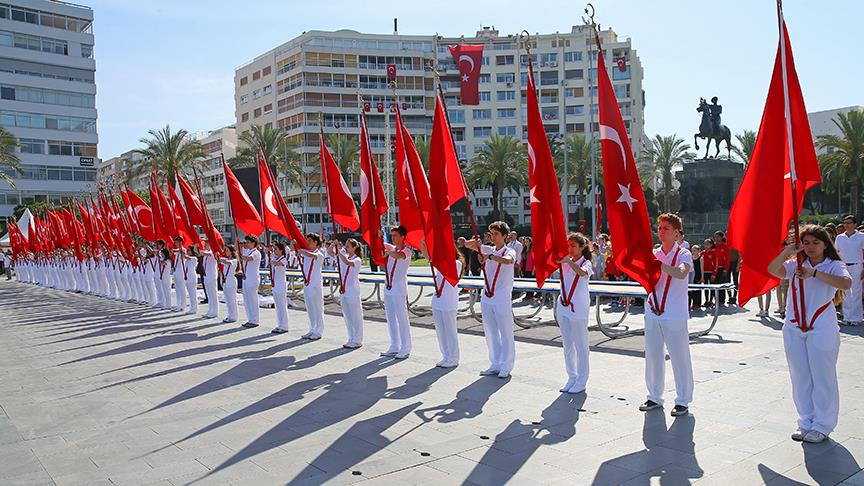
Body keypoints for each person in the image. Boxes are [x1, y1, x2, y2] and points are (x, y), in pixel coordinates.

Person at [767, 225, 852, 443]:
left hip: (821, 328)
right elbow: (772, 269)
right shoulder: (796, 263)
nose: (811, 247)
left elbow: (846, 283)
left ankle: (823, 425)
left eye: (816, 242)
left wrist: (813, 273)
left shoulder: (833, 265)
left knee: (822, 377)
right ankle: (805, 420)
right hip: (794, 327)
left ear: (825, 244)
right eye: (806, 243)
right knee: (800, 376)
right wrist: (787, 252)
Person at [639, 213, 694, 417]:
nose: (661, 232)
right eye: (660, 228)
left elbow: (681, 273)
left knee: (679, 357)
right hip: (653, 310)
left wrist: (659, 265)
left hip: (675, 313)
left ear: (677, 232)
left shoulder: (684, 254)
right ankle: (654, 396)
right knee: (653, 355)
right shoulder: (653, 252)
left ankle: (683, 399)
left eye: (666, 229)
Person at [465, 221, 517, 379]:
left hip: (501, 297)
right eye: (491, 234)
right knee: (490, 331)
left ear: (504, 236)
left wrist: (491, 257)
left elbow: (508, 260)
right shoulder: (487, 249)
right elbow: (467, 245)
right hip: (487, 296)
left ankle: (506, 365)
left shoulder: (510, 250)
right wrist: (476, 243)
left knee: (505, 332)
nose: (493, 237)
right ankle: (495, 363)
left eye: (496, 234)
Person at [555, 232, 593, 394]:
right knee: (568, 344)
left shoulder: (586, 262)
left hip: (578, 308)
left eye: (573, 246)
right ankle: (572, 376)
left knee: (581, 345)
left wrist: (568, 261)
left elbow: (582, 273)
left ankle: (582, 380)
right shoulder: (565, 260)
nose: (570, 249)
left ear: (582, 247)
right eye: (568, 245)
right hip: (563, 306)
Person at [423, 241, 464, 368]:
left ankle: (454, 358)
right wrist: (425, 244)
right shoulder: (441, 262)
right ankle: (446, 355)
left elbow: (443, 266)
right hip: (438, 300)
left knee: (450, 330)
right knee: (441, 331)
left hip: (449, 301)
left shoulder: (456, 263)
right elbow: (428, 257)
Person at [381, 226, 413, 359]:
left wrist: (388, 252)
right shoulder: (391, 248)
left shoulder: (407, 250)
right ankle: (394, 345)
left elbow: (398, 256)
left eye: (395, 235)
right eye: (391, 235)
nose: (392, 238)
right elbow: (377, 243)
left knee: (401, 318)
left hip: (399, 288)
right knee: (391, 318)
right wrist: (379, 235)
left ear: (402, 237)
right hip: (388, 287)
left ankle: (405, 347)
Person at [331, 238, 364, 349]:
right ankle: (351, 337)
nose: (345, 247)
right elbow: (330, 252)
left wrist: (339, 251)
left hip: (352, 290)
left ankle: (357, 339)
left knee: (355, 316)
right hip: (344, 290)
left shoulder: (356, 259)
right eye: (345, 245)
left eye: (348, 246)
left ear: (354, 248)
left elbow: (347, 262)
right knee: (347, 316)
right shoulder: (344, 255)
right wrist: (334, 244)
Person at [835, 215, 864, 326]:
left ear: (855, 224)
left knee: (856, 292)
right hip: (843, 266)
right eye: (845, 223)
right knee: (845, 292)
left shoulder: (861, 236)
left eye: (849, 223)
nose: (846, 225)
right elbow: (837, 252)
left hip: (857, 266)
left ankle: (857, 318)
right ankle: (847, 317)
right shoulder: (840, 237)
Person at [297, 233, 326, 340]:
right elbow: (296, 251)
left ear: (316, 242)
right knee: (310, 308)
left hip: (315, 284)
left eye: (309, 240)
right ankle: (312, 328)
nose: (307, 242)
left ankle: (318, 330)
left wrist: (302, 251)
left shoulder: (319, 253)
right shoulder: (307, 253)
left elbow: (312, 256)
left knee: (317, 307)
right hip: (307, 283)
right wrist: (295, 245)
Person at [240, 235, 262, 328]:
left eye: (248, 242)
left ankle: (255, 320)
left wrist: (241, 256)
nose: (247, 244)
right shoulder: (248, 251)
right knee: (247, 299)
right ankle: (250, 318)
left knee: (252, 299)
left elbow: (249, 258)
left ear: (253, 243)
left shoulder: (256, 252)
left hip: (252, 278)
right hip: (246, 278)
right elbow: (239, 250)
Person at [270, 242, 290, 334]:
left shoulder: (284, 259)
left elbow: (278, 264)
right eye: (274, 249)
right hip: (275, 285)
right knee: (277, 306)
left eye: (276, 249)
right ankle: (279, 325)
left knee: (282, 305)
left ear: (281, 250)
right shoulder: (275, 258)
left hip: (281, 285)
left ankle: (284, 326)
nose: (274, 251)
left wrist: (272, 259)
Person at [220, 245, 239, 323]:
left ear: (231, 252)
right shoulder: (226, 259)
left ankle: (234, 316)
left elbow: (227, 262)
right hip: (226, 281)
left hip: (231, 281)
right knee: (227, 300)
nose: (226, 252)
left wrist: (220, 258)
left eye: (227, 250)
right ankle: (229, 315)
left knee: (232, 299)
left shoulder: (234, 260)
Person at [200, 242, 219, 319]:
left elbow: (205, 253)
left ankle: (215, 311)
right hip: (206, 275)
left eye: (207, 244)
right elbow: (200, 254)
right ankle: (210, 310)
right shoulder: (206, 253)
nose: (205, 246)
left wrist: (199, 250)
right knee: (209, 294)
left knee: (213, 294)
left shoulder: (212, 252)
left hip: (212, 276)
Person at [713, 231, 730, 306]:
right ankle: (715, 300)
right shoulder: (713, 245)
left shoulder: (725, 246)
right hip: (713, 269)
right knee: (714, 284)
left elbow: (727, 258)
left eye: (717, 236)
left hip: (721, 268)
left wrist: (725, 269)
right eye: (715, 237)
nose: (716, 238)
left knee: (721, 284)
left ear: (721, 237)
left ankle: (722, 300)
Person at [171, 237, 187, 312]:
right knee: (177, 288)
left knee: (181, 288)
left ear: (180, 242)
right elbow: (173, 251)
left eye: (177, 242)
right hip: (176, 270)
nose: (175, 243)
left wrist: (179, 250)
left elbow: (181, 252)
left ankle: (182, 305)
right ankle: (178, 304)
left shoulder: (183, 249)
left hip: (181, 270)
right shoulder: (178, 251)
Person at [183, 245, 200, 315]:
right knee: (190, 294)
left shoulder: (194, 258)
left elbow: (187, 257)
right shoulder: (187, 259)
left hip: (192, 277)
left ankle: (194, 308)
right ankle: (192, 307)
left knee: (193, 293)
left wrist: (182, 252)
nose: (188, 251)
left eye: (189, 250)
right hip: (187, 277)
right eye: (187, 250)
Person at [701, 239, 716, 308]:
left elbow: (716, 264)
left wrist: (714, 274)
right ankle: (706, 301)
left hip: (711, 272)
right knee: (706, 287)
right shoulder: (702, 253)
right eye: (705, 244)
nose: (706, 246)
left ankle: (711, 300)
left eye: (707, 244)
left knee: (712, 287)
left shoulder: (713, 253)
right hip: (704, 273)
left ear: (711, 245)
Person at [689, 245, 703, 311]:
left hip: (698, 276)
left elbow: (702, 269)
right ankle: (689, 304)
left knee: (697, 291)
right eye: (692, 250)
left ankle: (697, 304)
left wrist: (702, 277)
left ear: (698, 251)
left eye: (694, 250)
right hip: (691, 276)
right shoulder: (690, 258)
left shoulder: (701, 258)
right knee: (690, 291)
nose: (693, 252)